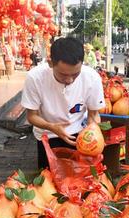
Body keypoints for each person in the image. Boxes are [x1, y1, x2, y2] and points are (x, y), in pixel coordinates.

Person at [22, 37, 106, 169]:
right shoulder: (35, 77)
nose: (70, 80)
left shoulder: (92, 78)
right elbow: (31, 116)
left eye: (75, 74)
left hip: (79, 136)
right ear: (50, 63)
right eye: (63, 75)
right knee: (49, 179)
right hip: (47, 135)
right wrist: (52, 127)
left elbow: (93, 115)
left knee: (80, 179)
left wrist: (94, 138)